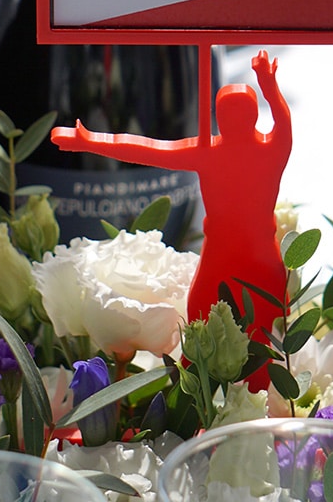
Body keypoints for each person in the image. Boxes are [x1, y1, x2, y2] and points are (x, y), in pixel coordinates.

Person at [51, 49, 292, 367]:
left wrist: (268, 84)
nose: (232, 122)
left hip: (255, 255)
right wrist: (90, 140)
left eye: (237, 115)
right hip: (226, 253)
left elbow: (283, 122)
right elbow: (148, 149)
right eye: (227, 115)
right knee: (203, 317)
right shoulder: (224, 151)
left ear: (248, 117)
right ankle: (202, 394)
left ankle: (255, 393)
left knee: (259, 327)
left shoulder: (257, 150)